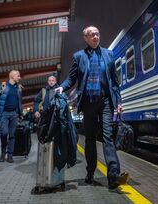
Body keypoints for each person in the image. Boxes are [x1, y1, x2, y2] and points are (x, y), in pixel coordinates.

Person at [55, 25, 128, 189]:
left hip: (105, 102)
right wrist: (62, 87)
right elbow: (72, 78)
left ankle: (113, 176)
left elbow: (114, 82)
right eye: (92, 34)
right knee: (89, 140)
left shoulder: (108, 54)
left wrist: (119, 102)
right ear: (86, 38)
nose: (96, 36)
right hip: (88, 104)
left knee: (108, 137)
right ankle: (90, 172)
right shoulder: (79, 56)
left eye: (97, 33)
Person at [0, 70, 23, 163]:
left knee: (12, 135)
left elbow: (20, 102)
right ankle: (3, 153)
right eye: (18, 76)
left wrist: (20, 114)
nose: (19, 78)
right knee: (4, 133)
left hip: (14, 114)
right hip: (4, 114)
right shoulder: (3, 85)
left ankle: (10, 155)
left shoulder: (18, 88)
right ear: (13, 77)